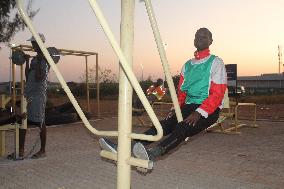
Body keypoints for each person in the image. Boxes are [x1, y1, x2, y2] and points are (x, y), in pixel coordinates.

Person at [99, 27, 227, 163]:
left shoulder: (216, 62)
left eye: (204, 36)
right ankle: (124, 148)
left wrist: (199, 113)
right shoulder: (187, 65)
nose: (200, 39)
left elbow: (217, 94)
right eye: (197, 36)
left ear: (211, 41)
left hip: (207, 109)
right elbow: (182, 93)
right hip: (188, 107)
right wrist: (174, 110)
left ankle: (155, 153)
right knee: (162, 126)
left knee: (182, 127)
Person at [8, 33, 50, 159]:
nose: (32, 45)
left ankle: (42, 151)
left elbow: (39, 77)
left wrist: (40, 62)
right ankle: (20, 151)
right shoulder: (35, 59)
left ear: (39, 43)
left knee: (40, 123)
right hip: (29, 94)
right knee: (23, 121)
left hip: (38, 96)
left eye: (34, 43)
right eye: (32, 43)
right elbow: (28, 76)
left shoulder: (44, 60)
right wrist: (27, 62)